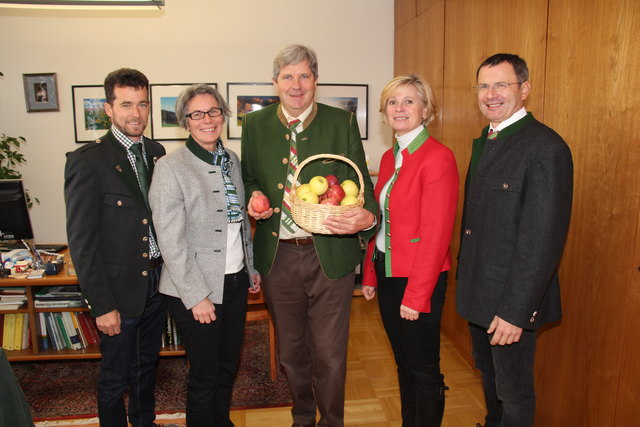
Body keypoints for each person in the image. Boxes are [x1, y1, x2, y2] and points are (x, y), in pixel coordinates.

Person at [241, 44, 378, 427]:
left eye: (304, 76)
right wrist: (254, 195)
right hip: (277, 256)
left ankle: (332, 420)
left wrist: (367, 218)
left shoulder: (341, 122)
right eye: (288, 77)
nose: (296, 85)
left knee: (330, 353)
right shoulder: (254, 124)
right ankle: (302, 417)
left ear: (315, 80)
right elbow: (249, 177)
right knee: (291, 352)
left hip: (329, 255)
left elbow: (361, 186)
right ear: (275, 82)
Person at [456, 53, 573, 427]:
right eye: (484, 86)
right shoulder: (488, 139)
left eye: (501, 84)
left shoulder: (545, 147)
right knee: (490, 381)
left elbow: (543, 240)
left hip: (511, 303)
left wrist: (515, 311)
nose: (491, 94)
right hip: (480, 294)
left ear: (525, 89)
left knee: (514, 392)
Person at [148, 84, 261, 426]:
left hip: (235, 280)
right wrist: (197, 296)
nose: (207, 120)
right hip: (195, 289)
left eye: (213, 111)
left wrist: (250, 267)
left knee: (228, 366)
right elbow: (170, 241)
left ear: (224, 115)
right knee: (205, 373)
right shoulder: (170, 167)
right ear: (185, 122)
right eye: (197, 114)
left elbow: (239, 221)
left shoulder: (231, 159)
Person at [64, 68, 166, 427]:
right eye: (125, 104)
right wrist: (102, 304)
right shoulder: (87, 161)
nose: (135, 114)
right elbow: (82, 242)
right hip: (117, 292)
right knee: (114, 377)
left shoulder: (157, 152)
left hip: (157, 284)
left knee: (146, 368)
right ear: (108, 109)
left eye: (142, 104)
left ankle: (144, 422)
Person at [361, 75, 459, 426]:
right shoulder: (390, 156)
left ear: (426, 110)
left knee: (424, 369)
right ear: (384, 112)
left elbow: (436, 237)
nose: (399, 108)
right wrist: (370, 273)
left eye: (409, 101)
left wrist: (417, 296)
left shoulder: (438, 158)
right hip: (389, 271)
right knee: (403, 362)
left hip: (421, 279)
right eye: (392, 102)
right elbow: (381, 220)